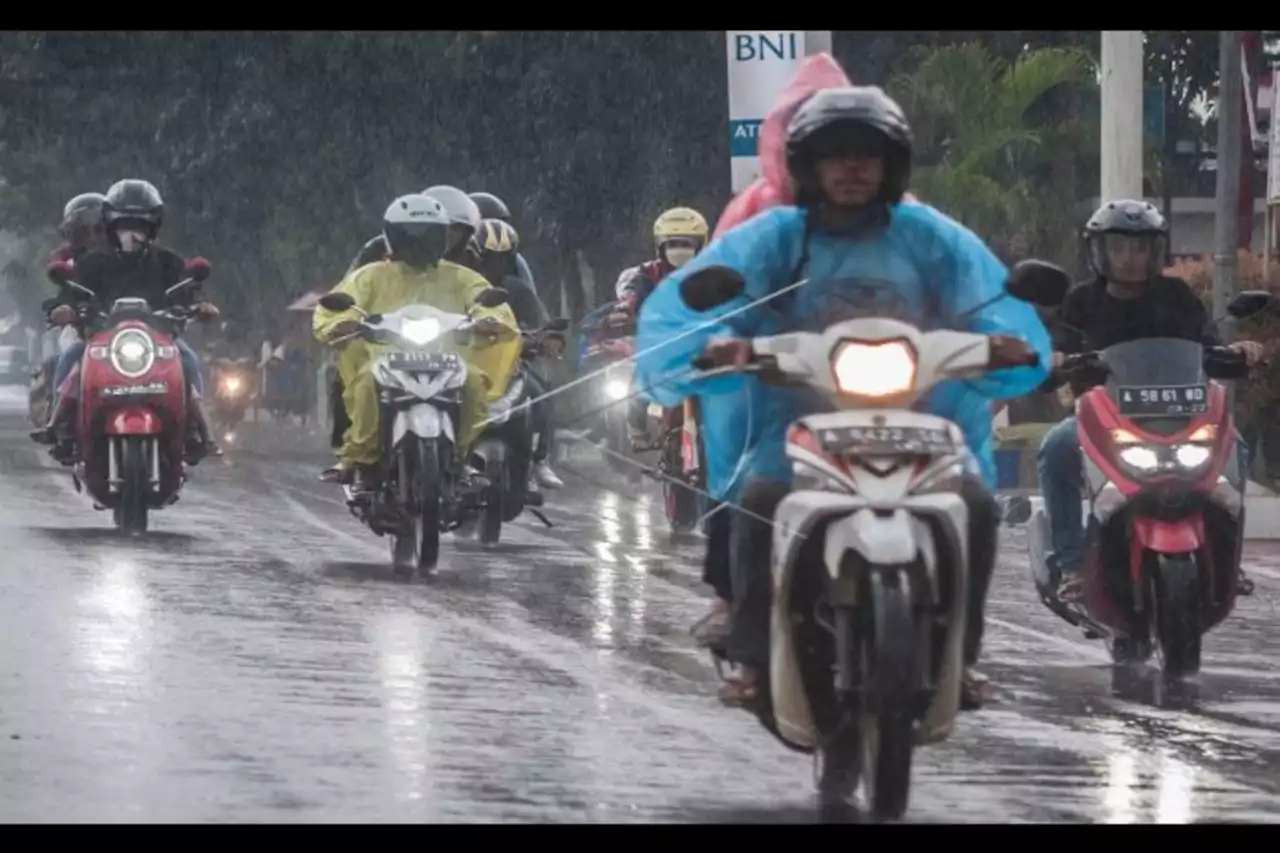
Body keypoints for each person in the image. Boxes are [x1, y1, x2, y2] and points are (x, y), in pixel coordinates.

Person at [633, 86, 1052, 711]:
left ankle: (960, 658)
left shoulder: (930, 238)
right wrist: (720, 343)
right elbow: (705, 301)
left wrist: (1005, 342)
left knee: (975, 505)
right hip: (792, 424)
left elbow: (988, 297)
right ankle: (751, 655)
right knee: (759, 500)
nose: (851, 168)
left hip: (919, 418)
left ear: (891, 166)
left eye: (866, 155)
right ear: (808, 166)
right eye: (835, 155)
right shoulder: (775, 238)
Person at [1036, 199, 1262, 602]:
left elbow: (1209, 348)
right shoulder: (1081, 301)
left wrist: (1239, 351)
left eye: (1140, 247)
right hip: (1103, 418)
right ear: (1099, 251)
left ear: (1155, 251)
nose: (1129, 257)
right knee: (1055, 448)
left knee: (1236, 446)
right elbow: (1056, 352)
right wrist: (1051, 359)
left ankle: (1228, 560)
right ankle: (1072, 565)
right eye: (1119, 246)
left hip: (1182, 413)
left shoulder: (1177, 296)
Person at [314, 194, 520, 493]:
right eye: (410, 235)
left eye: (428, 235)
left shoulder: (463, 277)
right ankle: (358, 459)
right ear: (393, 237)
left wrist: (490, 319)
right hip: (385, 358)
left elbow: (486, 302)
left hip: (449, 358)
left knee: (475, 384)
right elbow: (340, 304)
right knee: (365, 384)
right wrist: (341, 322)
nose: (418, 243)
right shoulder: (370, 275)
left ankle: (462, 457)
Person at [32, 179, 221, 462]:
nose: (131, 235)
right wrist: (64, 309)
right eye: (124, 227)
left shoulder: (168, 262)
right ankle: (60, 426)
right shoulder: (93, 263)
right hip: (99, 338)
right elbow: (70, 293)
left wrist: (201, 307)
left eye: (139, 228)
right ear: (111, 227)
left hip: (160, 339)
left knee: (188, 359)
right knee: (71, 355)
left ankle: (198, 430)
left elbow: (190, 291)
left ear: (152, 228)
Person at [474, 218, 564, 490]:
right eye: (489, 259)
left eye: (502, 260)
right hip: (467, 360)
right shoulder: (462, 284)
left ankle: (540, 459)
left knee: (541, 389)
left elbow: (539, 320)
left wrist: (548, 338)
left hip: (511, 362)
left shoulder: (518, 289)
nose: (495, 267)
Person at [347, 185, 483, 274]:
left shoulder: (469, 257)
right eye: (440, 229)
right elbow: (350, 286)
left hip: (450, 317)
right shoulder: (380, 247)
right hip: (386, 316)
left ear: (466, 234)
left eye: (458, 229)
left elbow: (481, 293)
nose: (450, 234)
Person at [50, 192, 110, 263]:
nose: (92, 238)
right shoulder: (64, 269)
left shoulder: (123, 262)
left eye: (99, 229)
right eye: (82, 232)